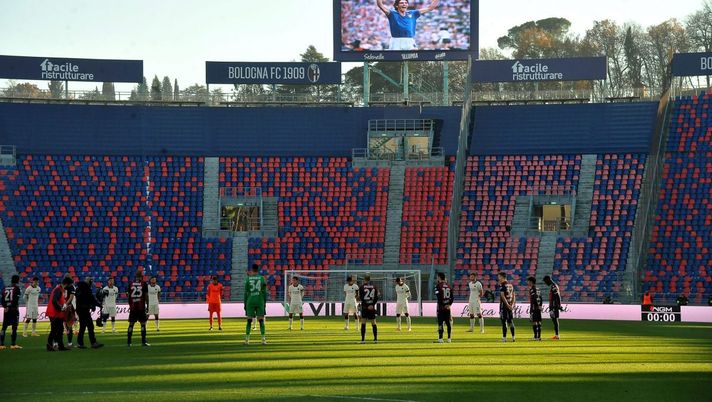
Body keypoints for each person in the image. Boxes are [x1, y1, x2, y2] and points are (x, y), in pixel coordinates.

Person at [375, 0, 440, 50]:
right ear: (397, 5)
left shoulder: (413, 13)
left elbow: (430, 8)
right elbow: (380, 5)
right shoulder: (392, 13)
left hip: (409, 40)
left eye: (406, 3)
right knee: (396, 62)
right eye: (401, 3)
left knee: (412, 61)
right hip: (396, 41)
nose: (404, 4)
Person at [74, 276, 104, 349]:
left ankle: (80, 343)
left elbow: (83, 299)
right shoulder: (87, 289)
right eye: (91, 281)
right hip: (84, 310)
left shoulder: (79, 288)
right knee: (90, 326)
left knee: (82, 327)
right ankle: (93, 343)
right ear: (89, 281)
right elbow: (91, 299)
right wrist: (98, 305)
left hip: (80, 309)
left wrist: (91, 305)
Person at [46, 277, 73, 352]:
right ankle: (49, 345)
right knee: (54, 330)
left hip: (57, 313)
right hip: (55, 313)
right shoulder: (58, 290)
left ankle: (60, 346)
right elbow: (54, 301)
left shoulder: (60, 289)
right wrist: (60, 308)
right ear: (66, 284)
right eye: (69, 285)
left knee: (60, 329)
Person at [244, 264, 267, 345]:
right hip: (260, 300)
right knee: (261, 320)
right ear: (258, 269)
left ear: (252, 269)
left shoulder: (248, 279)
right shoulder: (262, 278)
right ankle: (263, 339)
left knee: (249, 320)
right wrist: (265, 302)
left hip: (250, 301)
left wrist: (245, 304)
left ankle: (247, 340)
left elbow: (246, 293)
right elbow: (265, 292)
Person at [127, 271, 150, 347]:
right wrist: (148, 305)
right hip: (141, 307)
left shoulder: (131, 283)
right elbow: (146, 296)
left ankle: (129, 342)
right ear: (141, 276)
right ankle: (143, 342)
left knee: (131, 324)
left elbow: (129, 296)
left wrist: (130, 304)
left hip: (133, 308)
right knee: (143, 324)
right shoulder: (144, 284)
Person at [1, 274, 22, 350]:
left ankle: (1, 344)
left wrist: (5, 307)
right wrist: (12, 307)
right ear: (17, 280)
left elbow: (2, 299)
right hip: (13, 310)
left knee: (4, 327)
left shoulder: (5, 288)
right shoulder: (17, 288)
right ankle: (13, 344)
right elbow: (16, 300)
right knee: (14, 327)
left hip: (6, 310)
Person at [359, 275, 379, 344]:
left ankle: (363, 340)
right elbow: (376, 297)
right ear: (370, 279)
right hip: (371, 308)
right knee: (373, 323)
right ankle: (375, 339)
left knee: (363, 323)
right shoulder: (374, 287)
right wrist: (372, 305)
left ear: (364, 279)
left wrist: (366, 305)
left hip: (365, 307)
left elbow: (361, 298)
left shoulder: (361, 287)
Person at [434, 272, 454, 343]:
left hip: (441, 307)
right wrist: (449, 304)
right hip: (447, 307)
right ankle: (449, 338)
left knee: (440, 323)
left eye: (437, 277)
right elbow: (452, 297)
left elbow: (438, 297)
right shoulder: (449, 286)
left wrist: (442, 305)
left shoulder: (438, 286)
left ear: (439, 277)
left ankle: (440, 338)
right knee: (448, 322)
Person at [498, 272, 516, 342]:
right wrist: (512, 305)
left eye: (499, 277)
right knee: (511, 321)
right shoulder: (511, 285)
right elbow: (514, 295)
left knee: (504, 321)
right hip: (510, 306)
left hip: (504, 306)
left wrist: (507, 305)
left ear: (502, 277)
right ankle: (513, 337)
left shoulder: (502, 285)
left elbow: (502, 296)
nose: (498, 278)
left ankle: (504, 338)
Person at [543, 275, 562, 340]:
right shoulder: (554, 286)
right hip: (553, 306)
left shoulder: (554, 286)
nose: (546, 283)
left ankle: (557, 335)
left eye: (545, 282)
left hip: (554, 306)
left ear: (548, 280)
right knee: (554, 320)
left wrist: (559, 305)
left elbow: (558, 296)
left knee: (555, 320)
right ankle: (556, 335)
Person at [527, 277, 543, 341]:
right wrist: (540, 306)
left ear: (531, 282)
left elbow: (534, 299)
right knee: (539, 321)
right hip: (538, 308)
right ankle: (539, 337)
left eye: (528, 281)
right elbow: (541, 298)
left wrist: (532, 309)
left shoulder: (532, 290)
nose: (527, 282)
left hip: (534, 307)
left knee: (534, 322)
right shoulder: (538, 289)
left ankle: (535, 337)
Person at [63, 275, 77, 347]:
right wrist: (65, 304)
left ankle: (68, 342)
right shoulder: (69, 286)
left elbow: (70, 297)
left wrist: (64, 304)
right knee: (67, 325)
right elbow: (70, 297)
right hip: (66, 307)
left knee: (67, 325)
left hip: (65, 307)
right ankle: (69, 343)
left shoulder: (67, 286)